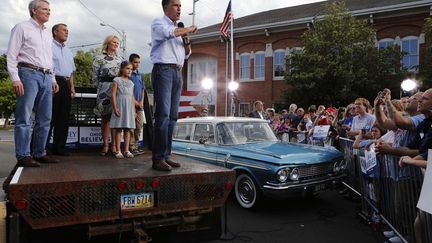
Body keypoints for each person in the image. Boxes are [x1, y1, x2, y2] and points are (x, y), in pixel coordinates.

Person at [7, 0, 59, 167]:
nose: (48, 12)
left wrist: (53, 78)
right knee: (24, 117)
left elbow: (49, 58)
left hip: (45, 75)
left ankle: (39, 152)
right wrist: (15, 77)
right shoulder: (21, 27)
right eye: (45, 9)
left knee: (45, 118)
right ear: (34, 11)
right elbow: (12, 55)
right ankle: (23, 155)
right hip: (28, 74)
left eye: (49, 9)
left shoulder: (46, 33)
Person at [150, 0, 198, 171]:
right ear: (165, 7)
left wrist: (187, 40)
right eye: (176, 5)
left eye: (180, 6)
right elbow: (169, 33)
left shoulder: (179, 29)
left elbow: (187, 54)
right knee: (162, 115)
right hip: (163, 70)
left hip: (177, 72)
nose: (179, 9)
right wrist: (187, 29)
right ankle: (157, 158)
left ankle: (166, 155)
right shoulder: (159, 23)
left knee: (172, 116)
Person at [48, 23, 75, 156]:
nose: (67, 32)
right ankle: (43, 148)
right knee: (49, 116)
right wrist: (52, 81)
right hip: (53, 81)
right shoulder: (49, 46)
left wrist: (72, 88)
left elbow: (71, 72)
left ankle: (59, 148)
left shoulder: (69, 51)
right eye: (64, 30)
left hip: (65, 83)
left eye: (67, 30)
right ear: (55, 32)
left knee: (63, 117)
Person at [92, 35, 122, 156]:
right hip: (104, 89)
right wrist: (99, 88)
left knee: (115, 119)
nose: (115, 44)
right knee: (105, 119)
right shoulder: (99, 58)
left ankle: (114, 146)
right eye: (113, 42)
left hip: (117, 89)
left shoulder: (120, 59)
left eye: (117, 43)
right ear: (108, 43)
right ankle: (105, 145)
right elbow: (94, 75)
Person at [110, 61, 136, 159]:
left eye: (131, 69)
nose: (130, 71)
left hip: (129, 107)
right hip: (120, 106)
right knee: (119, 128)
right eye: (127, 68)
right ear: (122, 69)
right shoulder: (117, 80)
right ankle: (118, 150)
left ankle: (126, 150)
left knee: (128, 129)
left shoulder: (131, 83)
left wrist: (133, 110)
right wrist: (115, 107)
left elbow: (132, 97)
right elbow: (113, 94)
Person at [128, 53, 146, 155]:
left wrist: (141, 101)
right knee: (131, 126)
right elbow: (129, 90)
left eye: (139, 62)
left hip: (140, 105)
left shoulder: (140, 75)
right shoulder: (129, 75)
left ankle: (136, 144)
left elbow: (143, 89)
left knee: (139, 125)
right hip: (131, 104)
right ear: (131, 62)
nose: (137, 64)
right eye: (135, 62)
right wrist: (135, 102)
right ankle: (132, 147)